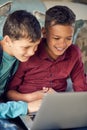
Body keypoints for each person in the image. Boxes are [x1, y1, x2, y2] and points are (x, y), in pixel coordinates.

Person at [7, 6, 87, 129]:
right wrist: (33, 97)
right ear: (44, 33)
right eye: (56, 38)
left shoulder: (74, 53)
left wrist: (59, 100)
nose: (62, 44)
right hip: (26, 108)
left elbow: (81, 91)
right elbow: (9, 93)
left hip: (57, 108)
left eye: (68, 38)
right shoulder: (30, 52)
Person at [0, 10, 41, 129]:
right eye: (26, 47)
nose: (32, 52)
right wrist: (27, 107)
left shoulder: (19, 56)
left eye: (36, 45)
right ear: (7, 40)